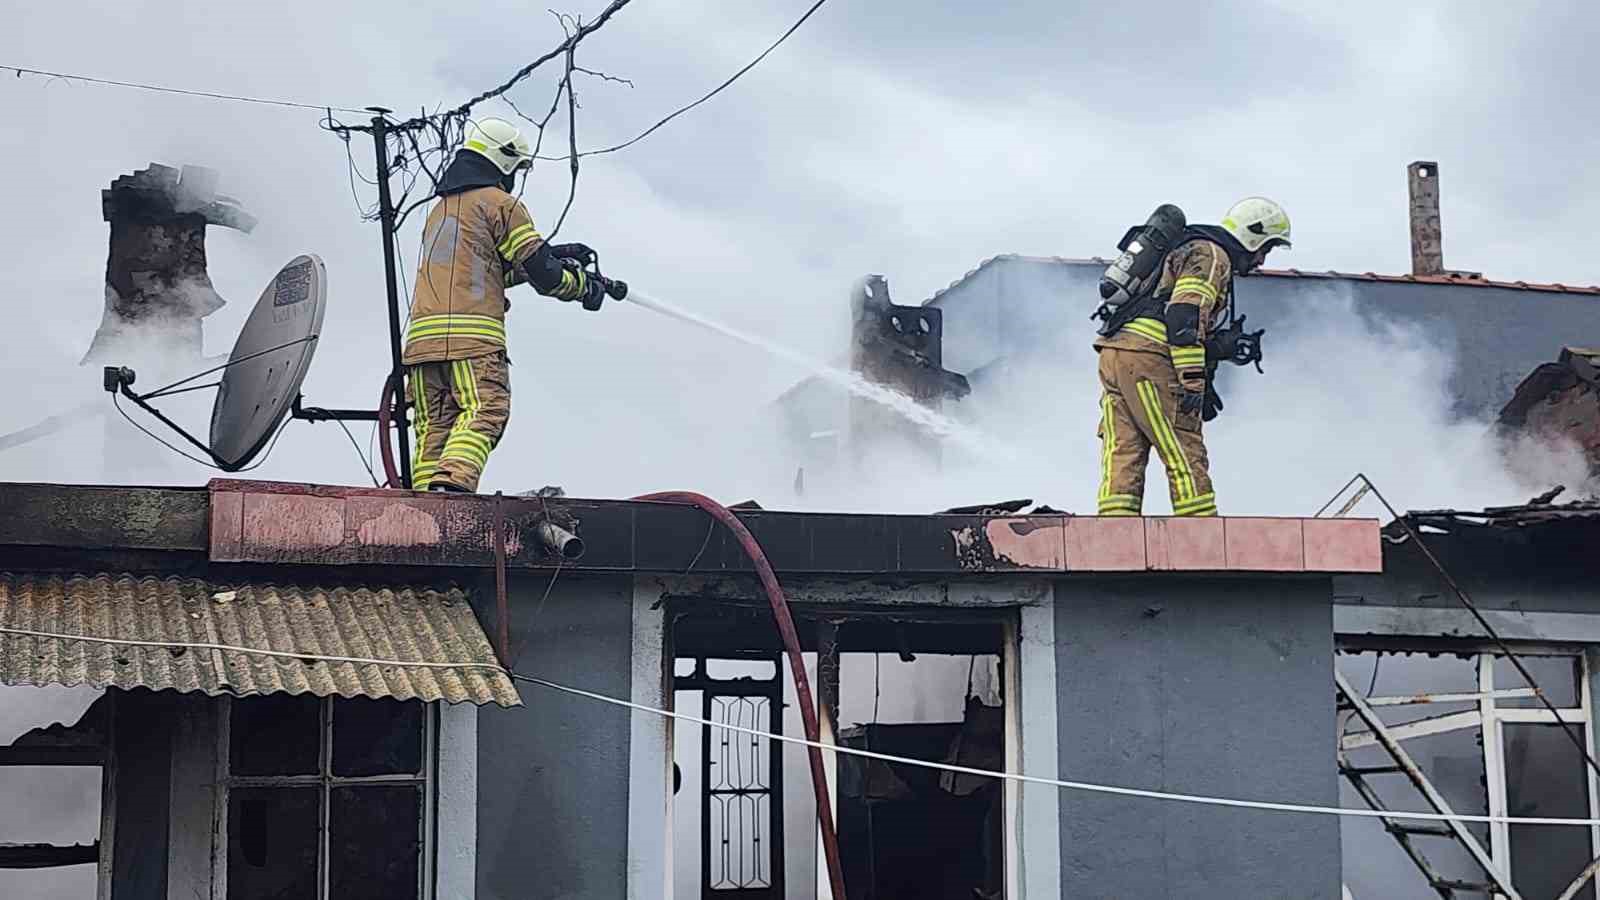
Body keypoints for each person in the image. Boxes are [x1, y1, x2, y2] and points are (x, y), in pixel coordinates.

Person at [402, 117, 610, 493]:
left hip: (421, 343)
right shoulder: (501, 204)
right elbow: (545, 275)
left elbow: (484, 269)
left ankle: (426, 505)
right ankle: (452, 489)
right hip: (471, 339)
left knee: (436, 425)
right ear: (506, 160)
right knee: (485, 410)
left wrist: (555, 254)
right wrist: (581, 286)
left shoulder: (441, 212)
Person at [1092, 197, 1291, 517]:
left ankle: (1116, 531)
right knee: (1183, 448)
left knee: (1124, 451)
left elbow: (1167, 312)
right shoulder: (1213, 255)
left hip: (1116, 353)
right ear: (1252, 237)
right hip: (1149, 360)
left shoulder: (1186, 247)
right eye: (1265, 249)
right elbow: (1184, 314)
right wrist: (1193, 380)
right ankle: (1201, 535)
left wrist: (1216, 350)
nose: (1262, 260)